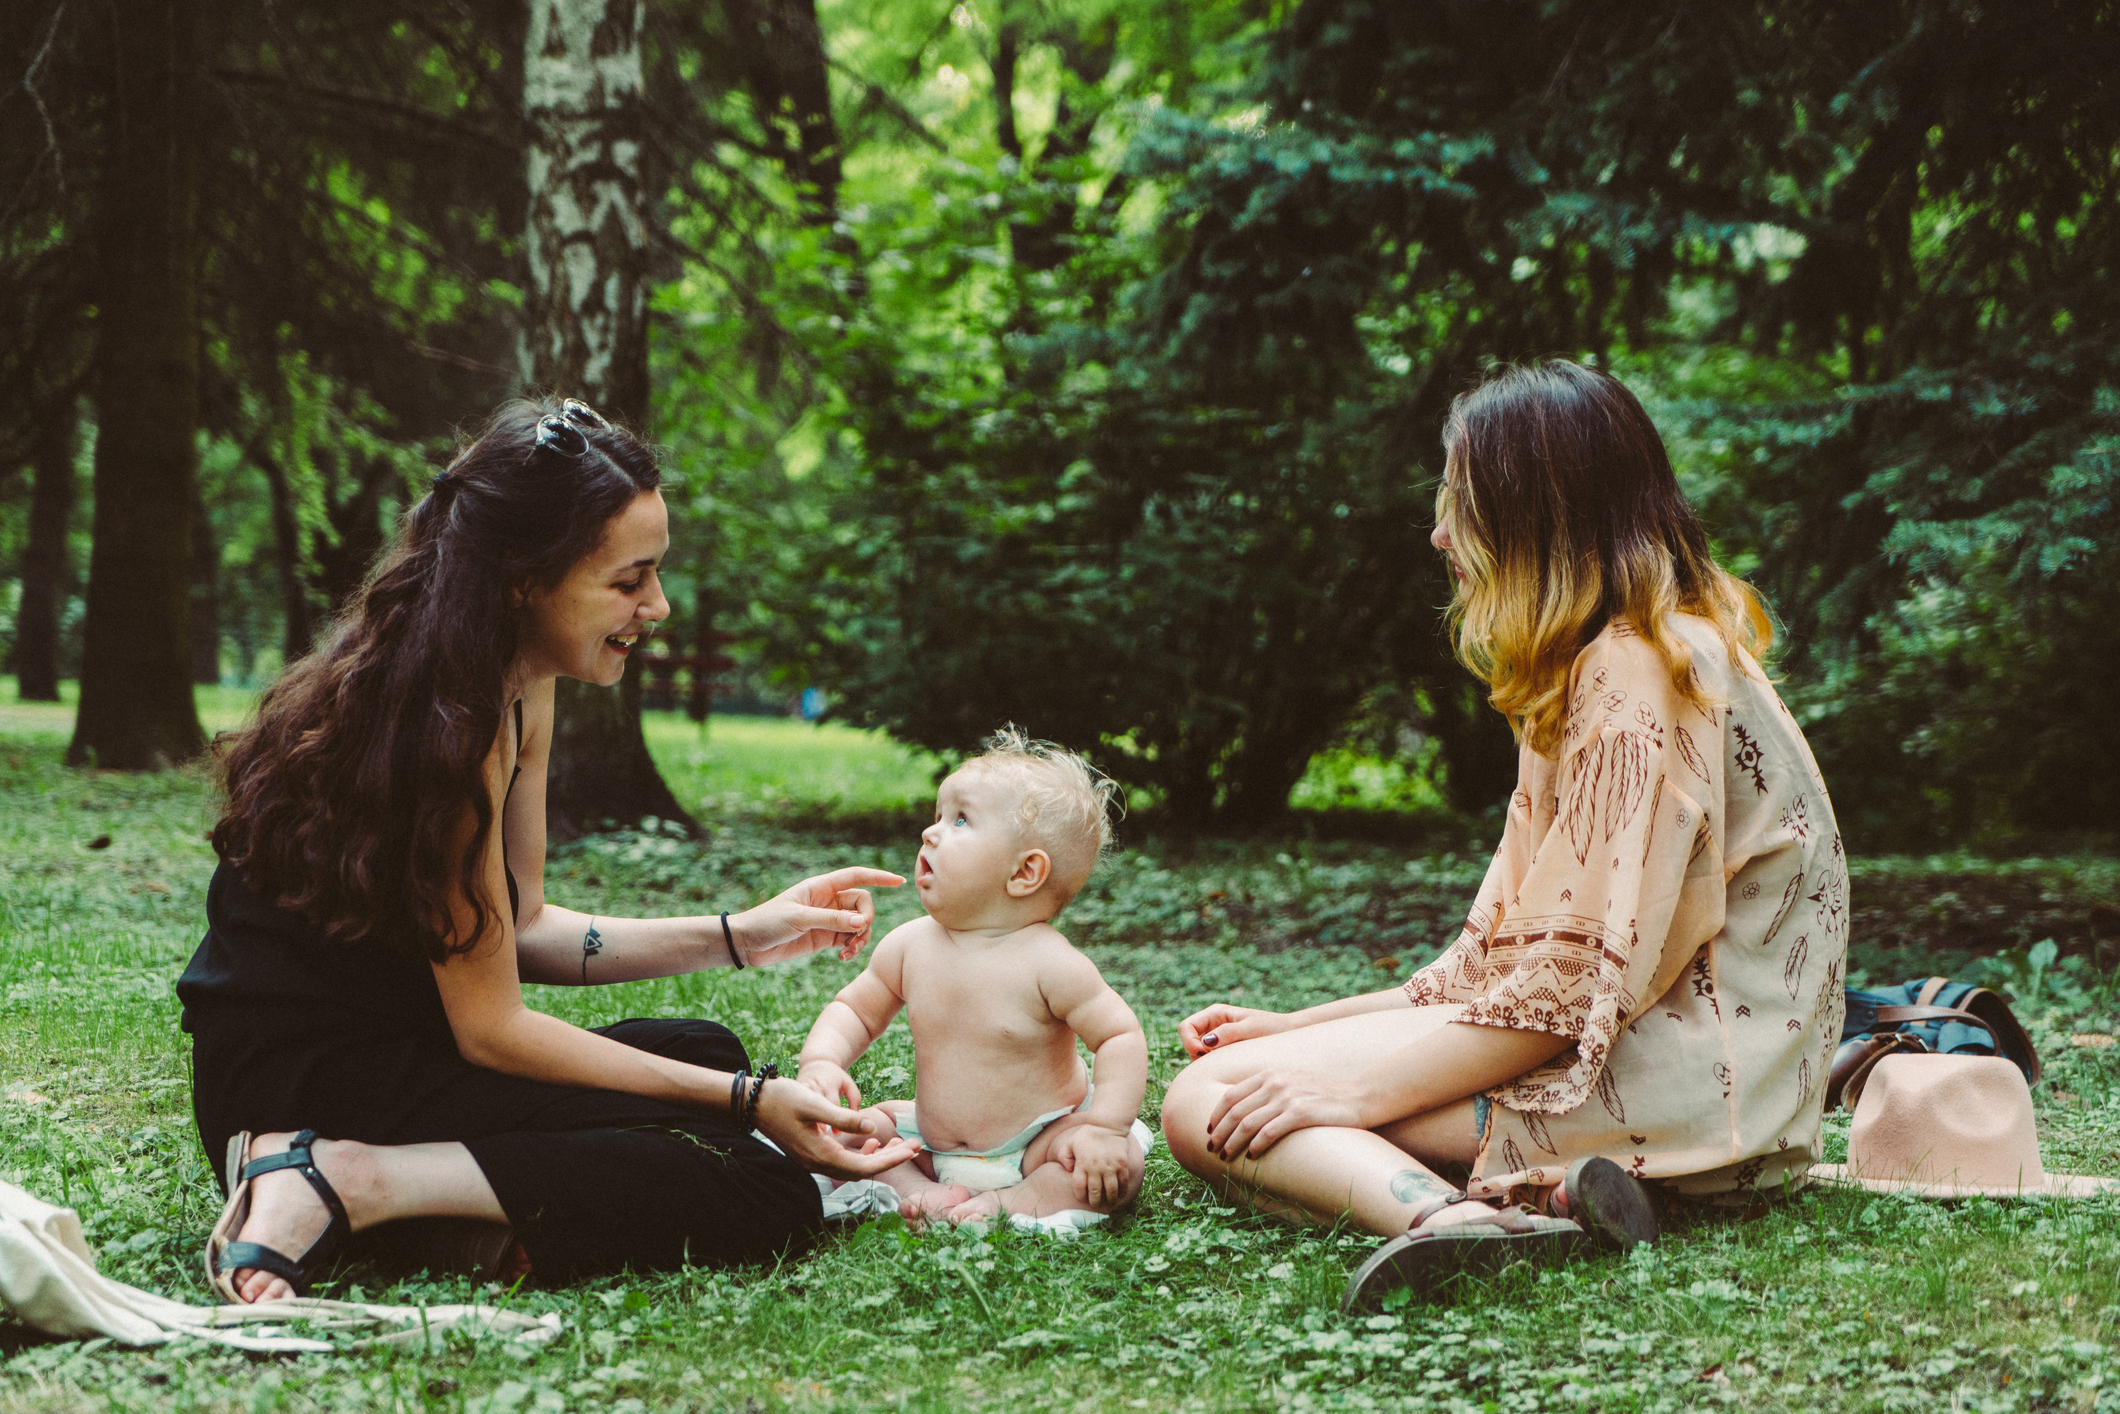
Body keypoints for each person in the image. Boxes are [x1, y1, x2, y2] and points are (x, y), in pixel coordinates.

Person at [180, 399, 921, 1306]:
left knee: (703, 1047)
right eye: (629, 580)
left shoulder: (516, 685)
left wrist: (743, 934)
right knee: (760, 1182)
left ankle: (436, 1218)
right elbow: (493, 1030)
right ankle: (344, 1181)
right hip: (301, 1086)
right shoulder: (447, 730)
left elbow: (519, 927)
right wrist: (747, 1101)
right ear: (524, 579)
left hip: (405, 1045)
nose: (659, 605)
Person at [1159, 361, 1850, 1311]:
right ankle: (1554, 1198)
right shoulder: (1616, 656)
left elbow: (1564, 997)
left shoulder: (1633, 672)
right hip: (1702, 1085)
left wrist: (1354, 1094)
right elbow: (1505, 959)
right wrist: (1310, 1028)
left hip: (1686, 1095)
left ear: (1536, 517)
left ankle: (1456, 1226)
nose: (1441, 534)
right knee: (1252, 1079)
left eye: (1462, 504)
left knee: (1207, 1106)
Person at [795, 729, 1149, 1223]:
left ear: (1024, 873)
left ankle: (1003, 1205)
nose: (930, 832)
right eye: (937, 816)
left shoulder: (1051, 963)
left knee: (1119, 1166)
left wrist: (1106, 1129)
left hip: (1038, 1142)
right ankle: (919, 1189)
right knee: (850, 1132)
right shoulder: (910, 944)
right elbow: (854, 1010)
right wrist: (822, 1061)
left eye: (960, 820)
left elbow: (1119, 1036)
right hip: (929, 1139)